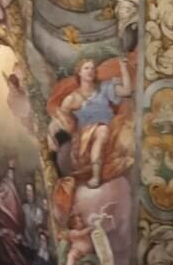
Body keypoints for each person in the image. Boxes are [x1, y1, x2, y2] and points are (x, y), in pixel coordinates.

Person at [50, 57, 132, 188]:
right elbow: (59, 119)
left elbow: (127, 91)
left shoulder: (104, 88)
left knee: (109, 131)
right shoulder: (72, 99)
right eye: (86, 68)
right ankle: (95, 174)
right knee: (101, 131)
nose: (90, 71)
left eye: (92, 68)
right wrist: (51, 137)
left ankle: (97, 175)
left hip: (110, 128)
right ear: (79, 73)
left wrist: (123, 68)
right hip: (85, 136)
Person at [21, 182, 44, 259]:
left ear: (34, 193)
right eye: (27, 191)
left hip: (35, 246)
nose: (28, 193)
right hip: (25, 245)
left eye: (30, 191)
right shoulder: (23, 208)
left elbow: (39, 227)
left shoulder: (38, 210)